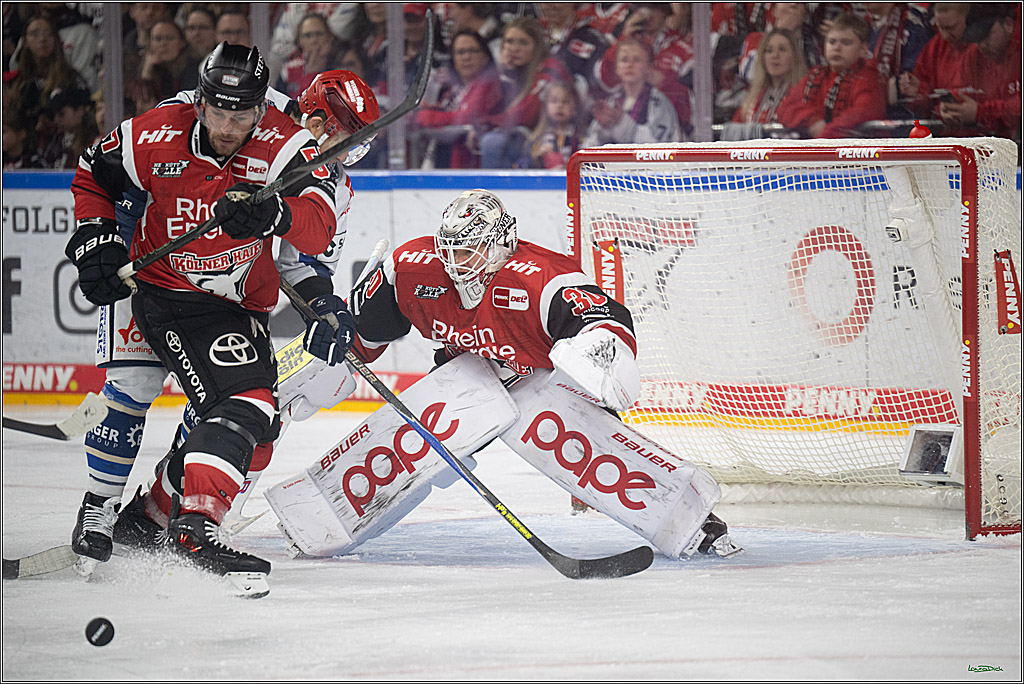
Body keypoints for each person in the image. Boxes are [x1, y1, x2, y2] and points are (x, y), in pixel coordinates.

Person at [276, 189, 736, 559]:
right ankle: (317, 516)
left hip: (540, 380)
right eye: (452, 248)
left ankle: (688, 517)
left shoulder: (541, 279)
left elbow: (606, 319)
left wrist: (599, 352)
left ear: (500, 243)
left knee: (552, 425)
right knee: (429, 427)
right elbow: (362, 335)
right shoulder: (414, 269)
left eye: (472, 248)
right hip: (468, 376)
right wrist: (325, 356)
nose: (459, 261)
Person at [65, 42, 342, 581]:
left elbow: (320, 223)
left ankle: (164, 518)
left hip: (230, 305)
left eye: (242, 113)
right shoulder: (155, 130)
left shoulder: (286, 146)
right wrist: (94, 239)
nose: (229, 124)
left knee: (247, 417)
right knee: (131, 390)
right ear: (200, 103)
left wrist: (277, 212)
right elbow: (92, 173)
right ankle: (98, 507)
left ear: (262, 107)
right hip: (153, 280)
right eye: (218, 110)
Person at [776, 12, 886, 139]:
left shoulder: (868, 78)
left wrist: (824, 136)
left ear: (863, 50)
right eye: (832, 42)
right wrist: (814, 121)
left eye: (846, 43)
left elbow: (862, 113)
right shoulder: (815, 75)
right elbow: (786, 108)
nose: (837, 48)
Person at [479, 17, 570, 168]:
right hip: (524, 135)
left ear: (537, 46)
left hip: (553, 137)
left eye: (523, 42)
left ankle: (494, 190)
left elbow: (526, 115)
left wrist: (488, 123)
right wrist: (505, 75)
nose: (514, 48)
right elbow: (484, 107)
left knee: (493, 143)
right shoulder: (510, 72)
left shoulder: (551, 67)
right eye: (509, 41)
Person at [414, 29, 503, 169]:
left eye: (472, 51)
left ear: (485, 56)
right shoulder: (455, 89)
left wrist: (427, 116)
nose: (466, 57)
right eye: (460, 52)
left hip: (472, 164)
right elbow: (444, 111)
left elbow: (469, 116)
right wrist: (427, 111)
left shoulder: (489, 84)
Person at [938, 3, 1021, 141]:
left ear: (1008, 24)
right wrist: (950, 110)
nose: (982, 44)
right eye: (977, 38)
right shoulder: (973, 56)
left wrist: (980, 112)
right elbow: (960, 91)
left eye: (987, 35)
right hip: (991, 146)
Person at [583, 37, 682, 147]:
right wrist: (603, 128)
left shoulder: (659, 103)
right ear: (617, 68)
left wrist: (622, 123)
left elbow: (662, 147)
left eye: (637, 60)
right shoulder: (611, 103)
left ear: (649, 67)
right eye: (624, 60)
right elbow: (589, 148)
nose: (630, 65)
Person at [724, 28, 808, 139]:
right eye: (769, 50)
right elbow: (734, 128)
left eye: (782, 50)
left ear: (794, 57)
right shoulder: (753, 96)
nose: (775, 56)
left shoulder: (804, 96)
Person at [898, 3, 971, 122]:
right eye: (941, 28)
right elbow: (924, 105)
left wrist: (978, 112)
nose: (946, 35)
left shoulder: (986, 47)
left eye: (951, 28)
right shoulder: (935, 47)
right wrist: (917, 91)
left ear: (969, 19)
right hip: (944, 132)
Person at [864, 2, 932, 116]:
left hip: (902, 118)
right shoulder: (864, 23)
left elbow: (914, 82)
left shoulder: (913, 25)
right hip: (868, 112)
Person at [274, 13, 347, 99]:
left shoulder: (344, 61)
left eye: (319, 34)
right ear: (299, 41)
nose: (314, 40)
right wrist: (311, 74)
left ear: (330, 37)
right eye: (307, 36)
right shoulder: (288, 70)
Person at [517, 80, 585, 169]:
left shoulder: (580, 138)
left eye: (565, 102)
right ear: (545, 106)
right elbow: (521, 167)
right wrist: (536, 158)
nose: (559, 106)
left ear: (574, 108)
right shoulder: (537, 139)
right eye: (554, 101)